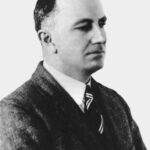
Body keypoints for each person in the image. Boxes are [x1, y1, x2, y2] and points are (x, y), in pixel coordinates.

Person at [0, 0, 147, 149]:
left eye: (101, 24)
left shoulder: (115, 103)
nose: (101, 38)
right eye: (84, 27)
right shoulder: (16, 112)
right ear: (48, 40)